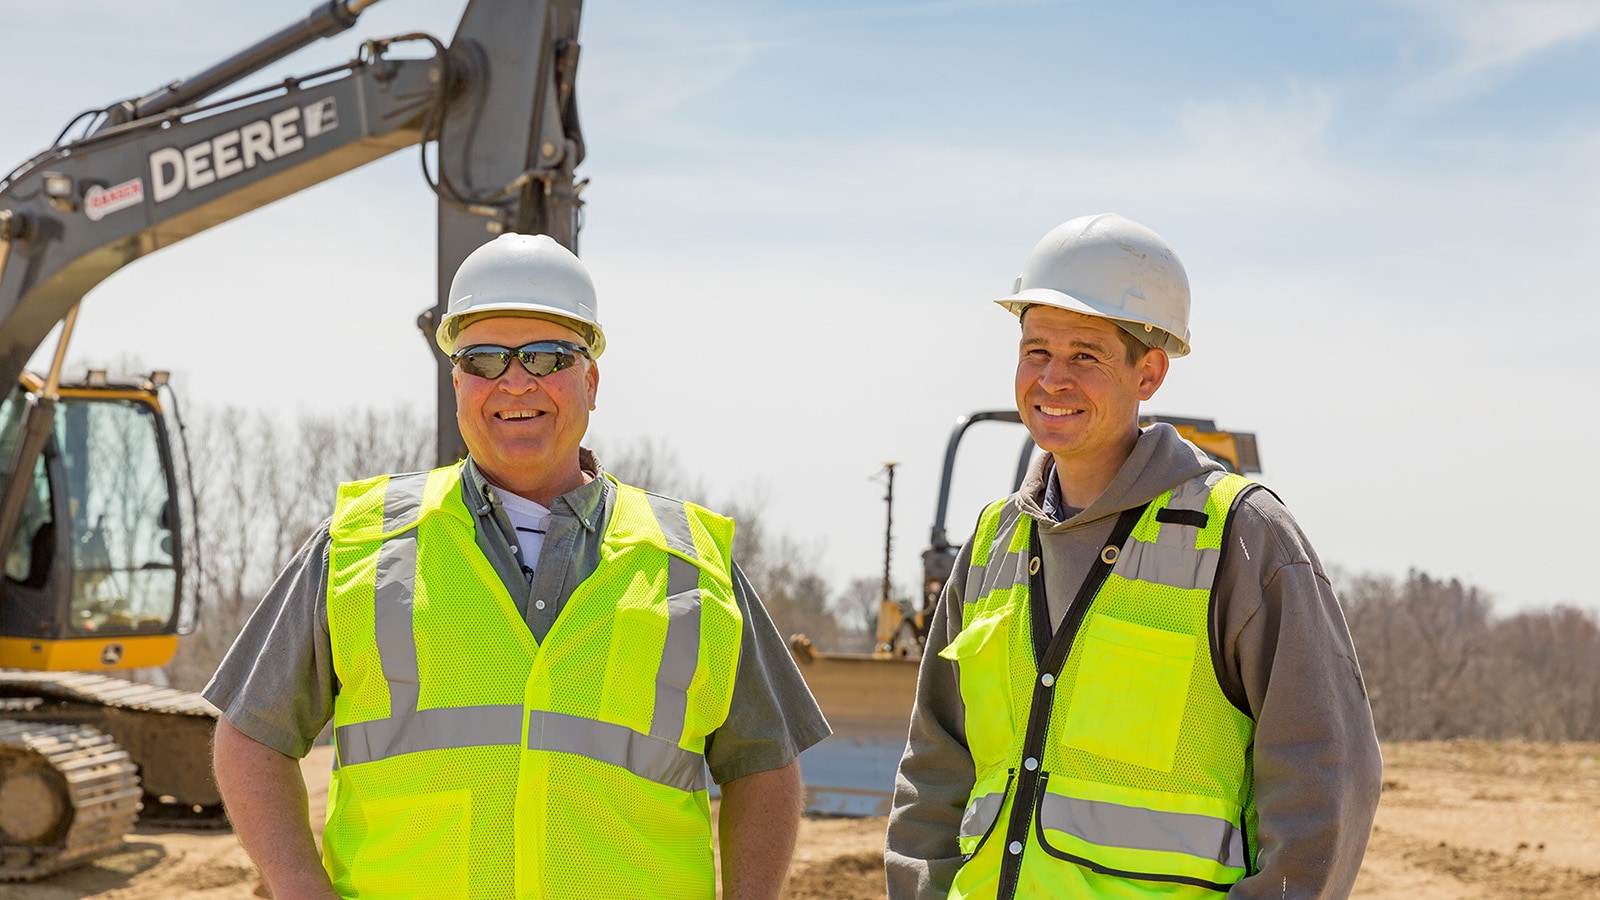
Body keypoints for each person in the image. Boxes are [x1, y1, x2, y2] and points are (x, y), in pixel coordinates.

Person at [206, 233, 831, 900]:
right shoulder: (363, 544)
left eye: (545, 356)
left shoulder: (689, 561)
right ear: (457, 384)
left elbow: (763, 762)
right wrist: (300, 886)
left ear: (590, 381)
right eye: (483, 359)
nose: (514, 381)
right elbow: (250, 734)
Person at [884, 214, 1381, 898]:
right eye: (1036, 351)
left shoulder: (1243, 536)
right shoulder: (992, 542)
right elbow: (934, 771)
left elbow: (1327, 779)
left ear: (1149, 372)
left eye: (1085, 355)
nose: (1052, 379)